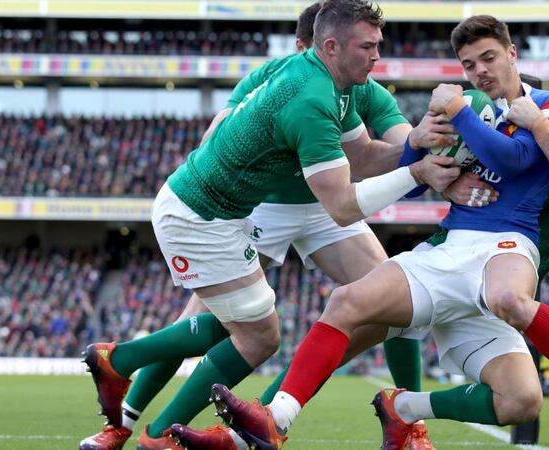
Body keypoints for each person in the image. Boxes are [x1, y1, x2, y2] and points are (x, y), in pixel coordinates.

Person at [202, 16, 549, 450]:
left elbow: (515, 161)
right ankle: (265, 423)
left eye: (489, 58)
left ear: (512, 54)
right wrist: (428, 159)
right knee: (347, 305)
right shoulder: (473, 105)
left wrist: (461, 113)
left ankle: (410, 407)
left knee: (522, 394)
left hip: (506, 257)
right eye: (470, 64)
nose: (480, 71)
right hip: (449, 252)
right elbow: (414, 179)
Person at [79, 2, 462, 450]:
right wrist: (415, 172)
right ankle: (126, 422)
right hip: (260, 207)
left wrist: (421, 142)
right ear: (318, 48)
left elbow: (385, 149)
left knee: (392, 299)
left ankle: (394, 422)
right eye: (367, 46)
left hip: (321, 204)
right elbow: (217, 139)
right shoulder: (292, 83)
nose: (376, 55)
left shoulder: (356, 87)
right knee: (214, 324)